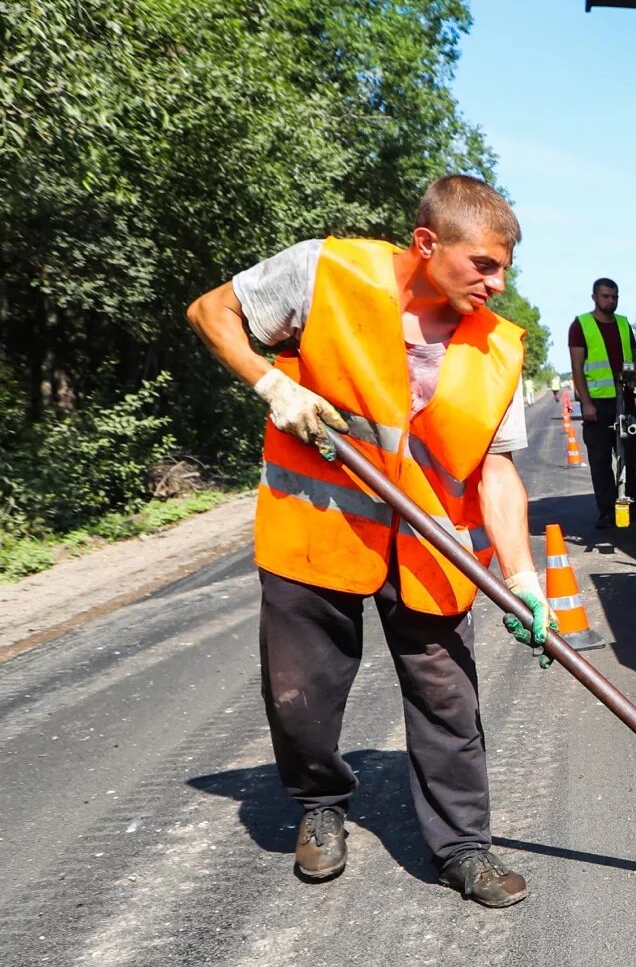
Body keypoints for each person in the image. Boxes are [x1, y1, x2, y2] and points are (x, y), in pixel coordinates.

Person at [184, 175, 553, 909]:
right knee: (300, 697)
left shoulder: (499, 348)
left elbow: (497, 472)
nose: (497, 283)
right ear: (426, 244)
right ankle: (320, 802)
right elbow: (210, 312)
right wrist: (271, 386)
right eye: (483, 264)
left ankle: (464, 848)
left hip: (429, 546)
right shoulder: (327, 272)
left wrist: (523, 576)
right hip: (317, 527)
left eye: (505, 267)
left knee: (449, 699)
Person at [567, 277, 636, 529]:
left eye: (615, 296)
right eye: (606, 296)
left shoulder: (623, 323)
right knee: (600, 460)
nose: (611, 301)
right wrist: (586, 403)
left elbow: (635, 360)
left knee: (628, 457)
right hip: (597, 404)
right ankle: (607, 511)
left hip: (625, 401)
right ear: (595, 297)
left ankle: (630, 505)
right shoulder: (581, 325)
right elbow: (577, 368)